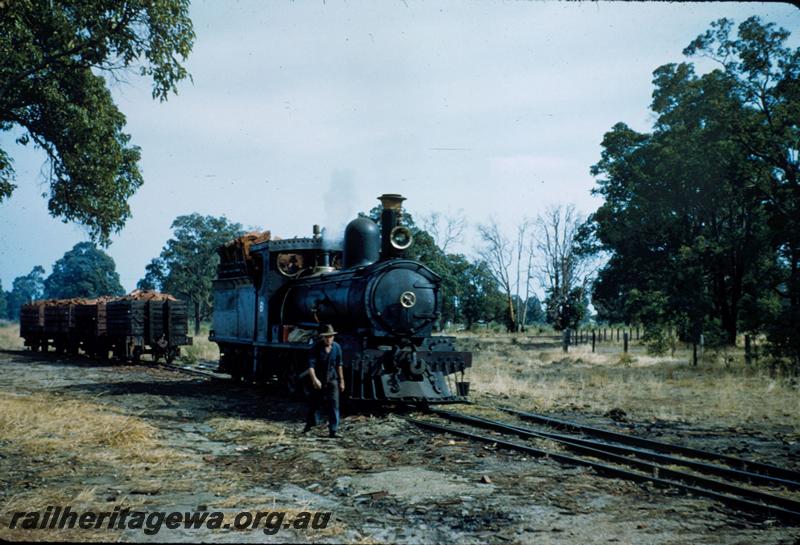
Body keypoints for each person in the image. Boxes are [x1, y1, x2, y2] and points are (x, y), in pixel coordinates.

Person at [303, 324, 346, 438]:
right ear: (322, 337)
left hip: (332, 380)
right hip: (319, 380)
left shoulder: (337, 347)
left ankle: (333, 430)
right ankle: (309, 426)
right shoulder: (315, 348)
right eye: (326, 337)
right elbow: (311, 366)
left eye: (331, 337)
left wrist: (342, 381)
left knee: (334, 405)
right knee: (314, 404)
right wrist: (314, 379)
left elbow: (339, 364)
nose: (329, 339)